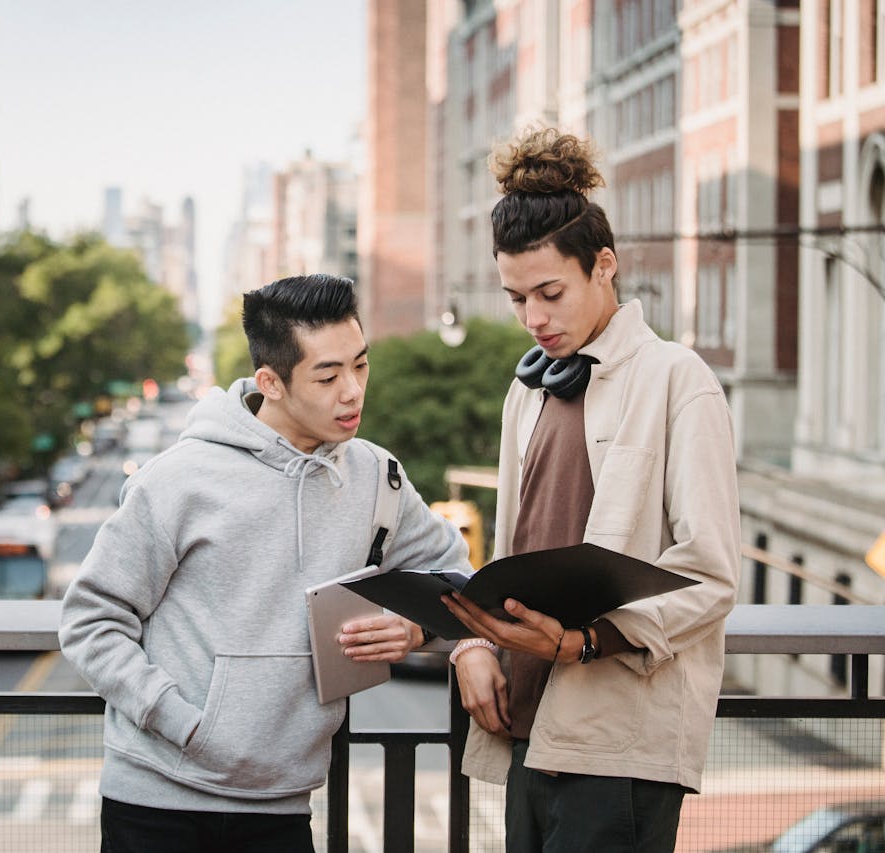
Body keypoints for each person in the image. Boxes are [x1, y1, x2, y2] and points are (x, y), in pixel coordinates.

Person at [59, 273, 469, 853]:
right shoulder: (179, 480)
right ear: (269, 382)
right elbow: (90, 622)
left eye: (361, 365)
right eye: (327, 376)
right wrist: (183, 724)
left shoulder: (378, 478)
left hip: (283, 803)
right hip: (156, 801)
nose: (352, 391)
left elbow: (456, 577)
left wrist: (415, 627)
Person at [441, 127, 741, 852]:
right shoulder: (528, 389)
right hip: (525, 727)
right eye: (516, 299)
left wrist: (580, 641)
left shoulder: (679, 380)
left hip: (619, 744)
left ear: (605, 265)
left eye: (550, 293)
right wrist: (467, 641)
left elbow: (710, 575)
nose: (533, 318)